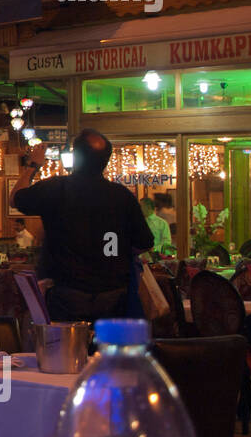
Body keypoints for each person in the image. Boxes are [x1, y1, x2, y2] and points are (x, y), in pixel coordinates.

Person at [13, 129, 153, 321]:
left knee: (68, 347)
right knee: (106, 350)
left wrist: (33, 165)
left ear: (75, 157)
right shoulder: (122, 196)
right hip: (112, 293)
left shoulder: (56, 188)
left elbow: (16, 199)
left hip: (67, 292)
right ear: (106, 161)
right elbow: (145, 242)